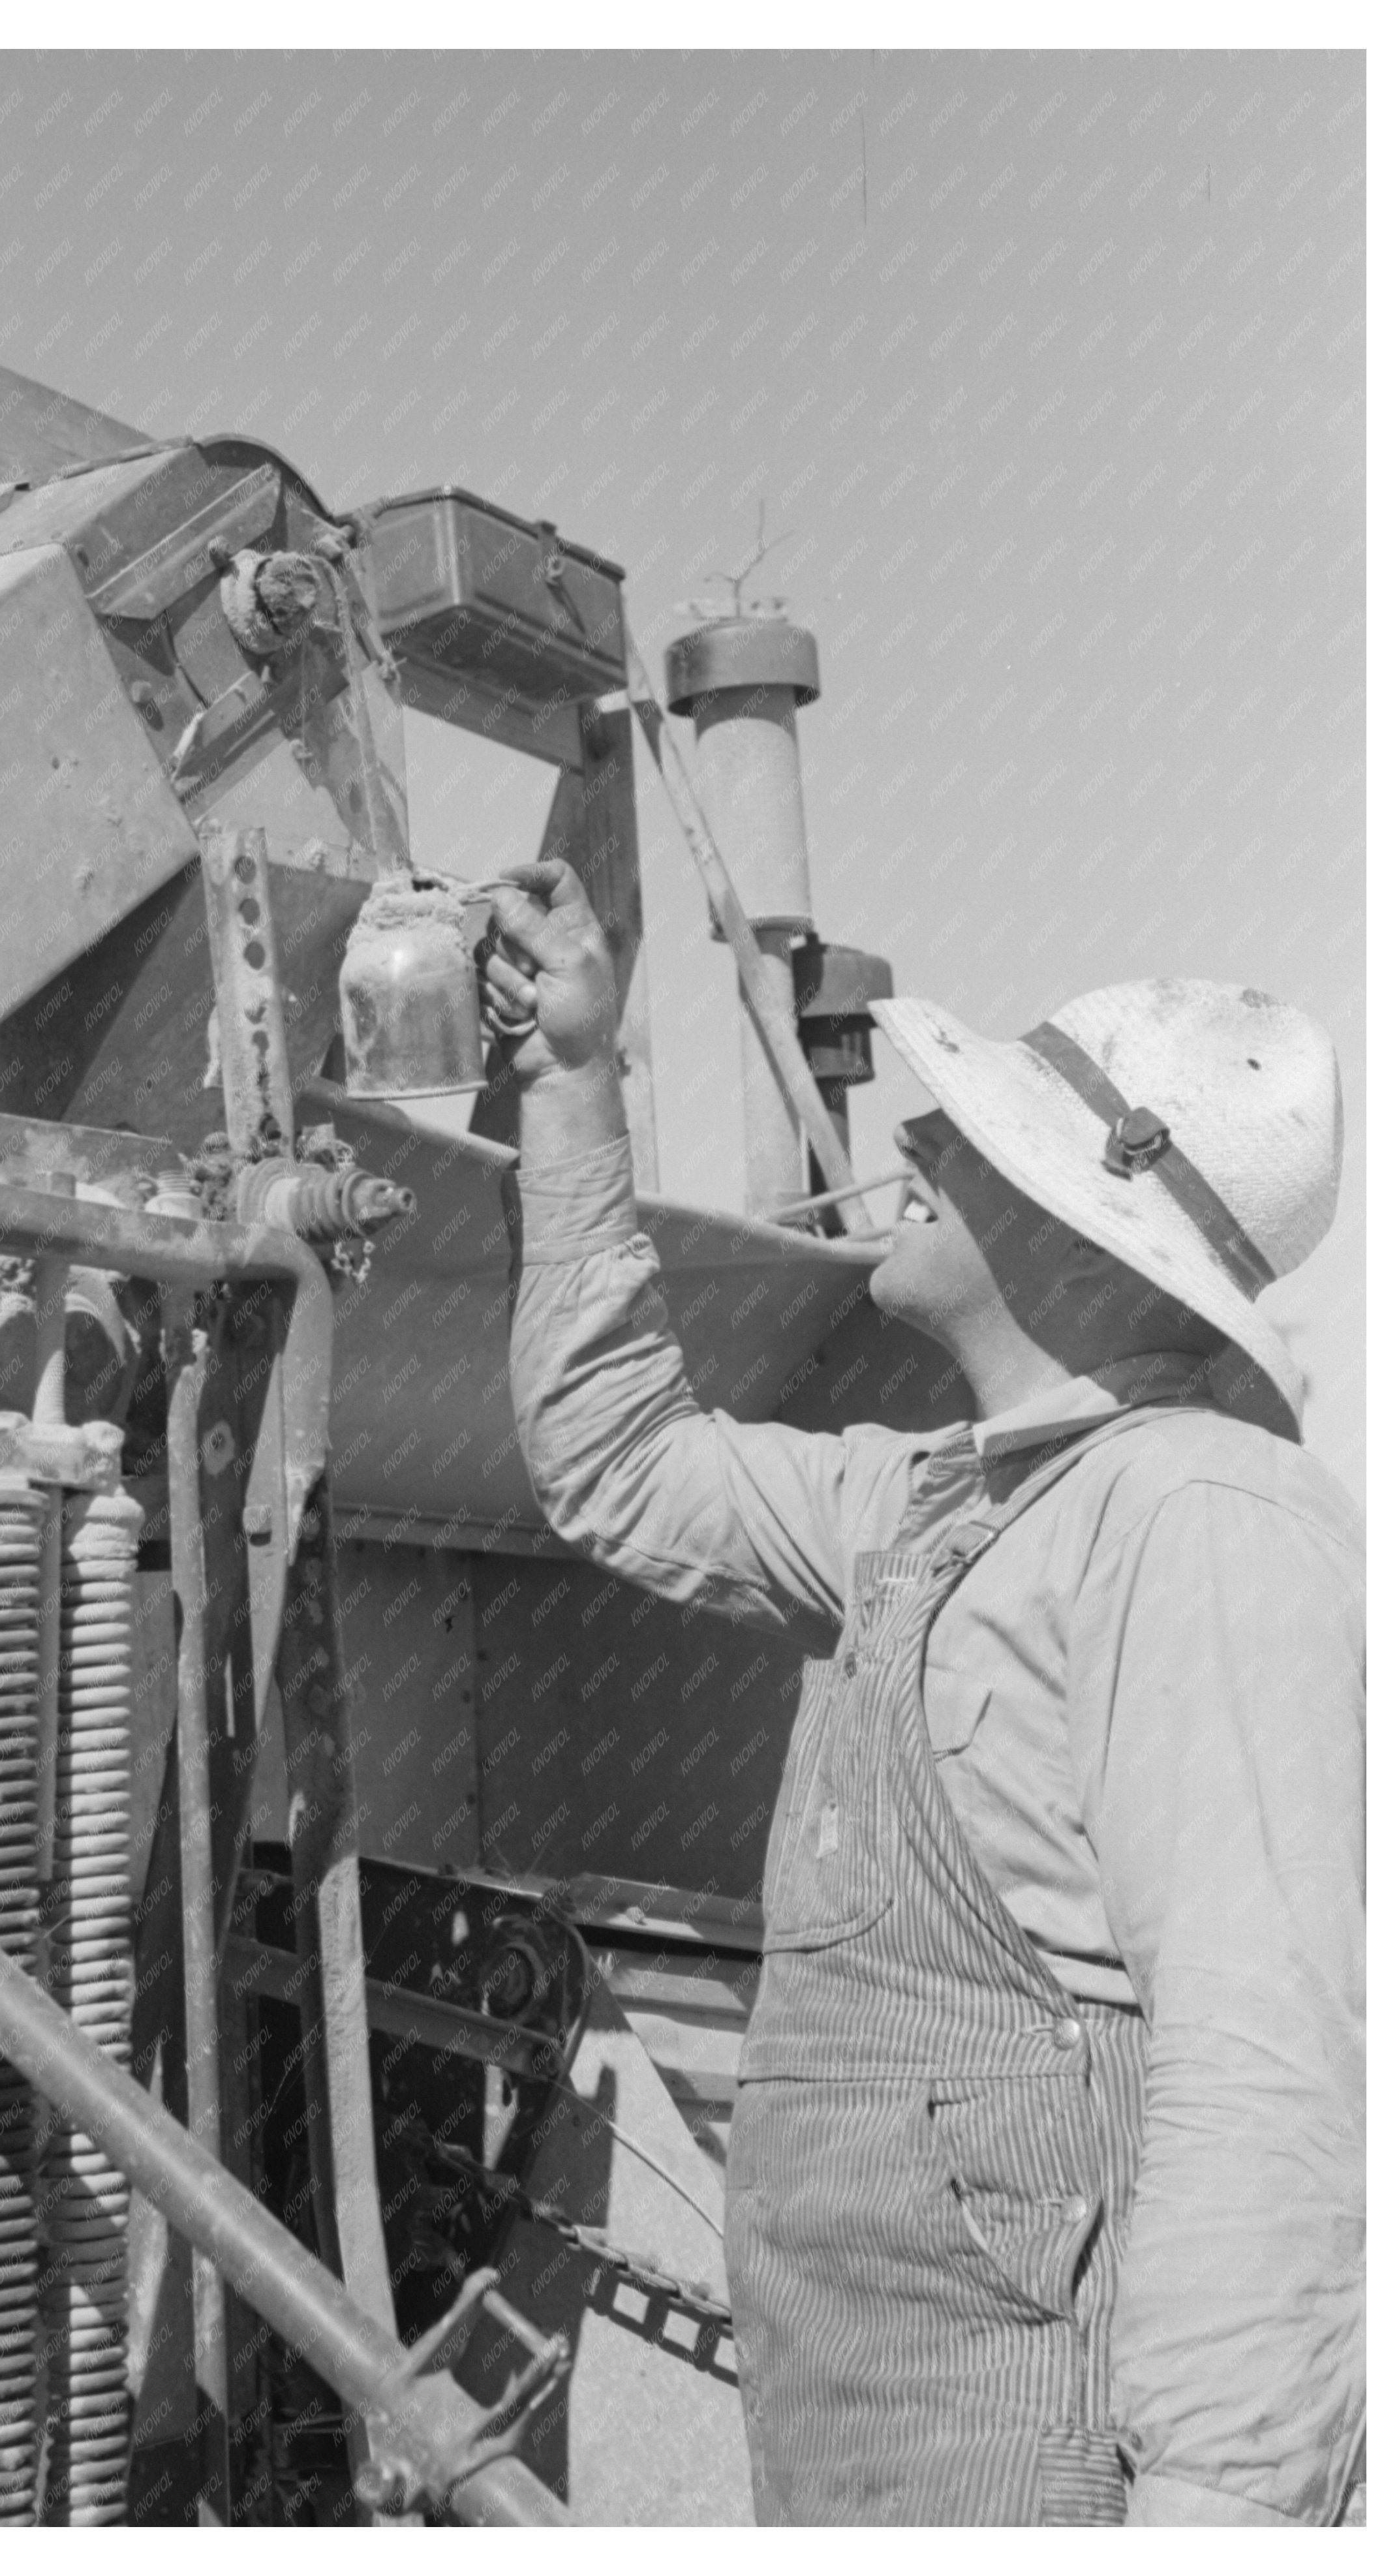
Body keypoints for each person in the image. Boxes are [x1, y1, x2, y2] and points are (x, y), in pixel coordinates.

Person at [478, 857, 1364, 2529]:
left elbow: (1266, 2075)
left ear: (1087, 1211)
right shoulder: (931, 1504)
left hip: (1043, 2482)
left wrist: (1228, 2524)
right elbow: (619, 1465)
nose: (915, 1139)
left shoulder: (1202, 1518)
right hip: (856, 2448)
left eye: (978, 1129)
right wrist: (575, 1081)